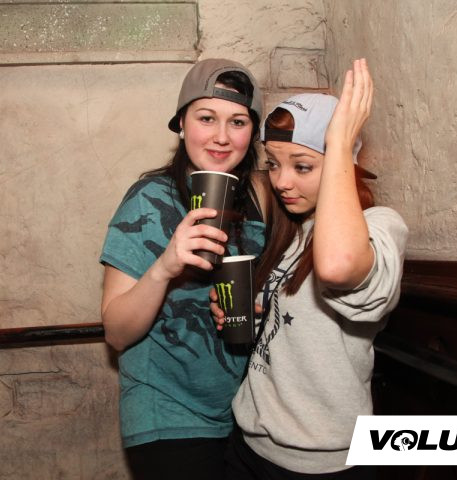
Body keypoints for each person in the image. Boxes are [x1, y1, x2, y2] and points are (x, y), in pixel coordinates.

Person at [211, 59, 409, 479]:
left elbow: (337, 268)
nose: (281, 181)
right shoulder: (293, 230)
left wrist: (339, 143)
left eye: (302, 166)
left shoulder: (380, 226)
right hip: (249, 445)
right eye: (274, 163)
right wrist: (248, 312)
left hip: (322, 463)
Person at [99, 58, 267, 480]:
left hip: (248, 418)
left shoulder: (264, 201)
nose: (221, 137)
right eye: (206, 118)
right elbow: (116, 333)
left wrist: (261, 307)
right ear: (180, 124)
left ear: (252, 133)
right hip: (168, 417)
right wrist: (165, 267)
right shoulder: (147, 200)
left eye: (238, 122)